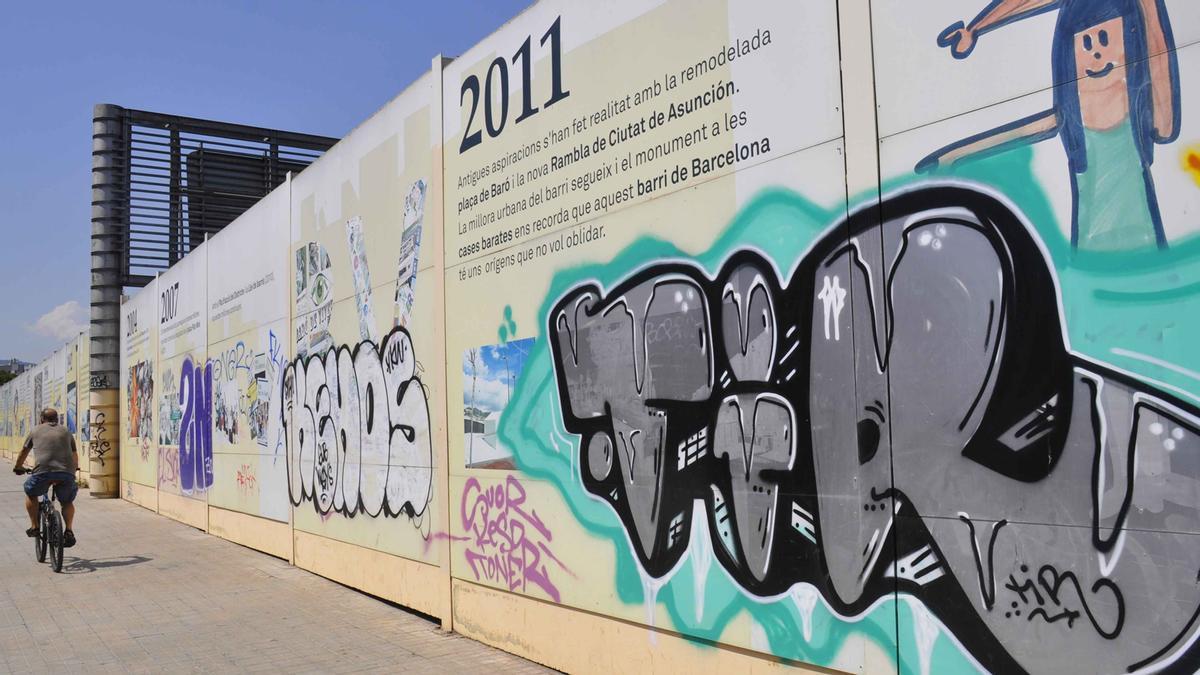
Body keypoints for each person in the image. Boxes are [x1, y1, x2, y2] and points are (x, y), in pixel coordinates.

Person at [920, 0, 1180, 251]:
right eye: (1086, 44)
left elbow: (1164, 116)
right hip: (1091, 252)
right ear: (1069, 60)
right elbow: (1014, 134)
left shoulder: (1142, 112)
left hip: (1143, 244)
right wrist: (953, 156)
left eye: (1104, 39)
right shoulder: (1071, 119)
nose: (1097, 53)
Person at [13, 408, 78, 547]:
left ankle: (35, 527)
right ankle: (69, 530)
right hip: (66, 473)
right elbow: (74, 454)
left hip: (42, 472)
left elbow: (24, 450)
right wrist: (73, 471)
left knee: (31, 493)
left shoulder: (35, 430)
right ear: (57, 419)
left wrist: (18, 466)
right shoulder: (66, 431)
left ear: (42, 419)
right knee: (67, 502)